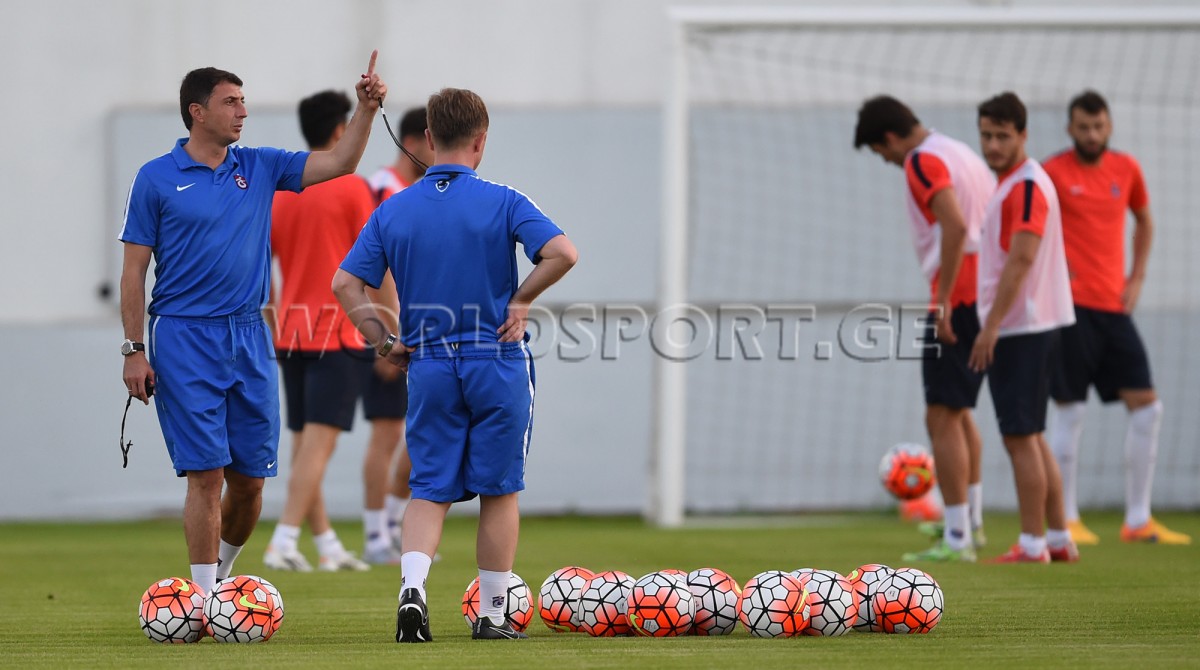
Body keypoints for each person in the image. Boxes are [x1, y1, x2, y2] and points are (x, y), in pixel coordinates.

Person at [119, 53, 387, 595]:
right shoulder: (155, 178)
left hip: (249, 335)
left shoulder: (260, 166)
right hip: (183, 335)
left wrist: (364, 109)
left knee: (249, 484)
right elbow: (133, 272)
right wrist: (133, 349)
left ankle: (219, 578)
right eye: (230, 102)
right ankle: (204, 600)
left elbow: (340, 161)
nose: (243, 111)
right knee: (206, 474)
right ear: (197, 112)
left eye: (243, 101)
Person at [333, 87, 578, 641]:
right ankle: (492, 615)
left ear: (429, 138)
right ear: (480, 140)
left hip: (430, 362)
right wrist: (521, 300)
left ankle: (413, 592)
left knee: (428, 488)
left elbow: (345, 284)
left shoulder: (394, 208)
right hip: (495, 358)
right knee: (499, 490)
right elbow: (563, 252)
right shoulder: (503, 199)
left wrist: (383, 342)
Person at [1042, 91, 1190, 546]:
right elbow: (1032, 229)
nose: (1091, 135)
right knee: (1071, 410)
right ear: (1070, 129)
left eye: (1098, 127)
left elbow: (1144, 221)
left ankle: (1138, 519)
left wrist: (1137, 276)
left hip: (1114, 307)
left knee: (1148, 405)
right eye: (1083, 127)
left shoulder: (1127, 169)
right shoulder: (1052, 173)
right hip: (1070, 309)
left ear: (1109, 127)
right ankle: (1066, 519)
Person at [853, 96, 995, 562]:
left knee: (940, 416)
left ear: (890, 138)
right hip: (987, 287)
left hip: (962, 292)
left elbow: (954, 225)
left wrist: (945, 299)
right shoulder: (959, 151)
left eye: (882, 152)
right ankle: (970, 524)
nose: (888, 161)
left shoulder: (921, 160)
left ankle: (957, 538)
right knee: (959, 411)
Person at [261, 90, 377, 573]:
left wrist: (273, 317)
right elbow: (376, 263)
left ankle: (325, 543)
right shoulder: (352, 187)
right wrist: (388, 324)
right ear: (338, 130)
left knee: (304, 442)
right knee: (319, 444)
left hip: (291, 331)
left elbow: (262, 267)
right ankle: (283, 539)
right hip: (338, 331)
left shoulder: (282, 191)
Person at [968, 92, 1078, 563]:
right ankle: (1058, 538)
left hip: (1021, 327)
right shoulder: (1014, 183)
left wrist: (990, 326)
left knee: (1019, 437)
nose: (993, 145)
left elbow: (1022, 257)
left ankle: (1033, 543)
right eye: (986, 135)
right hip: (1030, 325)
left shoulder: (1027, 185)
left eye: (1002, 136)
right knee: (1031, 435)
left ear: (1023, 135)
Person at [360, 107, 435, 564]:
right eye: (432, 142)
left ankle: (392, 526)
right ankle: (375, 536)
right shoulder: (383, 189)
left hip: (414, 329)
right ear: (413, 142)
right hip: (388, 331)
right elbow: (372, 267)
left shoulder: (415, 191)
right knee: (387, 432)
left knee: (417, 431)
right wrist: (385, 335)